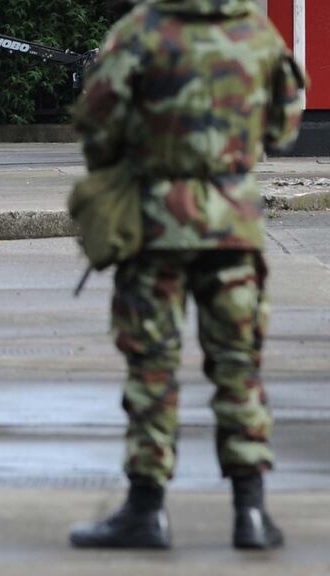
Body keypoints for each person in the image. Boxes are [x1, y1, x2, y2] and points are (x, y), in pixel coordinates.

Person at [68, 0, 306, 550]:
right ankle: (250, 512)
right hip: (234, 223)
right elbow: (286, 123)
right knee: (238, 364)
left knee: (152, 367)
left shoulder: (141, 30)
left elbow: (95, 121)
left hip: (155, 225)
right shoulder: (258, 31)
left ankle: (147, 510)